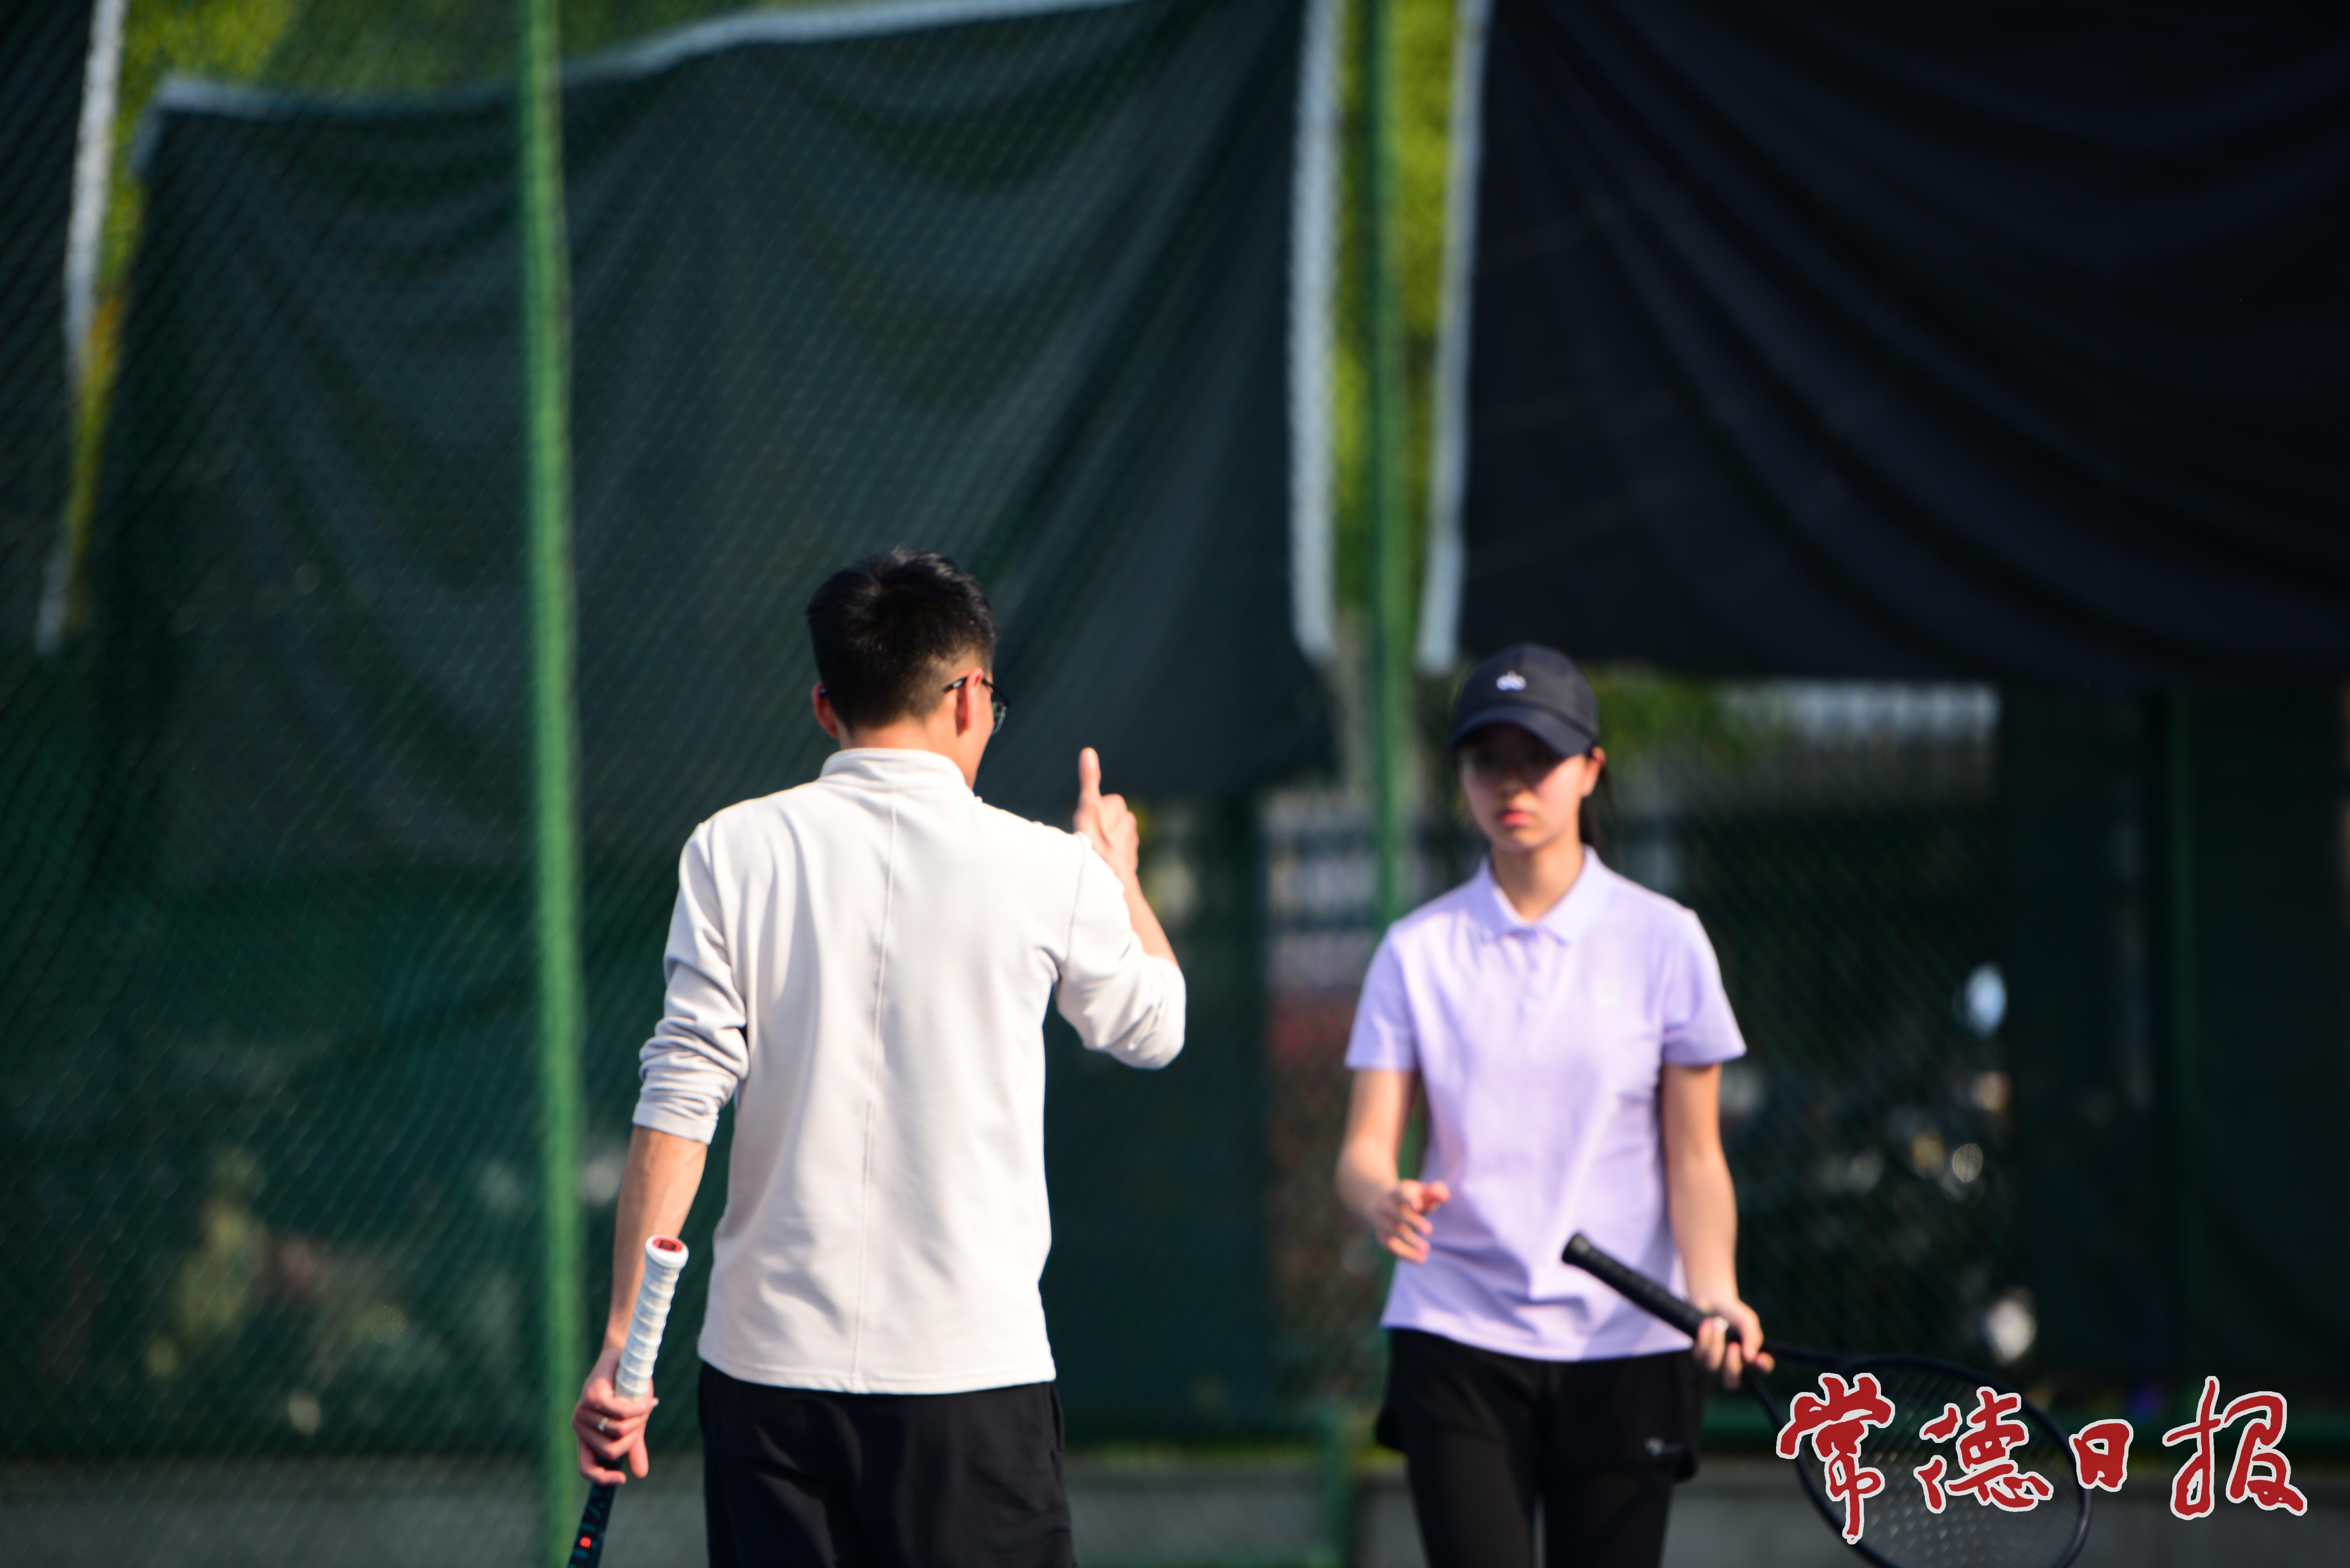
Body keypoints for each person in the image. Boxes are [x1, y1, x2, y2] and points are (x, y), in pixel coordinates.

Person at [572, 549, 1184, 1568]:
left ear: (826, 708)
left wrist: (621, 1349)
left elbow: (680, 1099)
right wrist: (1117, 873)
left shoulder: (729, 850)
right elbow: (1155, 1026)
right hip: (972, 1382)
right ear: (972, 697)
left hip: (767, 1379)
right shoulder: (1052, 870)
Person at [1334, 643, 1770, 1568]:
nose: (1511, 782)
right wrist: (1382, 1197)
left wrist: (1715, 1290)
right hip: (1455, 1333)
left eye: (1538, 756)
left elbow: (1695, 1155)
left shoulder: (1666, 941)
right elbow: (1364, 1151)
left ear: (1591, 769)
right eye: (1486, 758)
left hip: (1628, 1344)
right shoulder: (1415, 951)